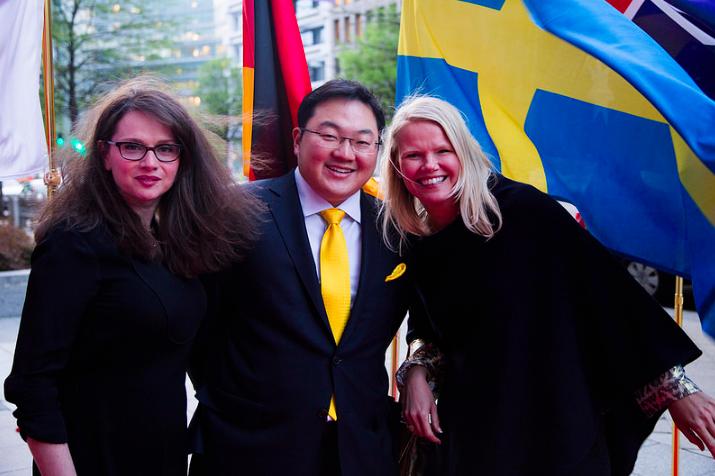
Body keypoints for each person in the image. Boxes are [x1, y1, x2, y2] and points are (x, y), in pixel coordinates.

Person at [379, 96, 715, 475]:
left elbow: (608, 295)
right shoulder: (414, 238)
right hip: (475, 432)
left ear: (465, 153)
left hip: (556, 426)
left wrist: (675, 389)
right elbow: (428, 328)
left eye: (444, 150)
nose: (430, 165)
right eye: (413, 155)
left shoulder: (521, 210)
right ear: (396, 165)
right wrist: (417, 372)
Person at [4, 77, 261, 475]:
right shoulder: (74, 243)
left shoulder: (176, 241)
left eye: (165, 149)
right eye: (132, 147)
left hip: (162, 454)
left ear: (182, 159)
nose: (150, 162)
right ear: (105, 154)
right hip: (91, 458)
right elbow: (32, 385)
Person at [188, 79, 411, 476]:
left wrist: (420, 371)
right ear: (297, 139)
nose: (345, 153)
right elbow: (196, 324)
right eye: (329, 136)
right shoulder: (237, 214)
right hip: (250, 449)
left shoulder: (396, 229)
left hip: (359, 451)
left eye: (362, 142)